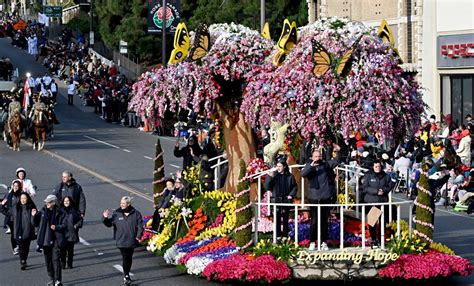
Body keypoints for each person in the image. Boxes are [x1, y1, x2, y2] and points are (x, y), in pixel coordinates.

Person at [301, 149, 340, 251]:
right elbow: (303, 174)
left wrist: (338, 152)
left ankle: (324, 242)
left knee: (324, 221)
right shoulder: (309, 165)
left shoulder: (325, 165)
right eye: (316, 156)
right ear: (312, 157)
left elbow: (336, 161)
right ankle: (312, 242)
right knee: (314, 221)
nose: (317, 158)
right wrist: (310, 166)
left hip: (325, 197)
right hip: (314, 198)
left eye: (319, 156)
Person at [103, 196, 143, 285]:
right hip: (121, 240)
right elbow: (109, 224)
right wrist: (105, 218)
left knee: (129, 258)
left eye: (124, 203)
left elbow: (140, 226)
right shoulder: (116, 213)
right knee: (125, 257)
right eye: (121, 203)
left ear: (128, 204)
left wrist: (138, 236)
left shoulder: (136, 214)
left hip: (132, 240)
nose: (122, 205)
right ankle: (126, 275)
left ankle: (127, 273)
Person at [1, 193, 37, 270]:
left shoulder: (31, 208)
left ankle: (25, 259)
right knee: (21, 247)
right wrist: (2, 205)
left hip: (28, 231)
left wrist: (34, 215)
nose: (23, 200)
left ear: (27, 199)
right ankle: (22, 261)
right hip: (18, 231)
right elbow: (6, 212)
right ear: (19, 199)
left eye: (25, 198)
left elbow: (34, 223)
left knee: (26, 248)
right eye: (22, 198)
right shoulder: (15, 208)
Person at [362, 161, 395, 246]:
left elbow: (390, 186)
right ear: (373, 167)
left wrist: (384, 191)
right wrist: (376, 191)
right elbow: (365, 188)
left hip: (382, 202)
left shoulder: (385, 176)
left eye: (379, 166)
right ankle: (373, 239)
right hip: (372, 201)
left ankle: (381, 239)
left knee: (382, 223)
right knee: (372, 222)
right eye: (376, 166)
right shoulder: (368, 175)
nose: (378, 168)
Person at [35, 194, 65, 286]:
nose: (47, 203)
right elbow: (35, 223)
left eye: (49, 202)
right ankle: (52, 278)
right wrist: (34, 216)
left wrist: (57, 227)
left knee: (56, 260)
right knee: (48, 261)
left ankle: (58, 280)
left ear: (54, 202)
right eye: (47, 202)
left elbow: (64, 225)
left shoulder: (60, 212)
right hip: (45, 239)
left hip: (56, 239)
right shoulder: (43, 211)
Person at [265, 160, 297, 239]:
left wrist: (291, 195)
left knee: (285, 218)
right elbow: (267, 186)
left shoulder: (290, 176)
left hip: (286, 200)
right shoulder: (275, 176)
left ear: (284, 166)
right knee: (277, 218)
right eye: (277, 166)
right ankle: (278, 236)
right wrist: (269, 176)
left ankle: (285, 236)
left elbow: (294, 187)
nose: (278, 168)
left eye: (280, 166)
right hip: (276, 200)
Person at [59, 196, 82, 269]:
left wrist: (76, 225)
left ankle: (70, 263)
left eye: (68, 201)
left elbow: (80, 220)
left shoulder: (74, 210)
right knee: (62, 249)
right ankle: (62, 263)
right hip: (62, 233)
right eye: (65, 201)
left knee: (70, 250)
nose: (66, 202)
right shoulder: (60, 210)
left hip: (71, 233)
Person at [1, 180, 23, 255]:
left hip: (21, 218)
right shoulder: (9, 195)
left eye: (17, 186)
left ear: (19, 187)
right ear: (12, 186)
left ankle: (20, 245)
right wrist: (7, 213)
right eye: (14, 186)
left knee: (21, 233)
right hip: (11, 219)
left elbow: (29, 204)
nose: (15, 187)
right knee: (14, 233)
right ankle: (15, 248)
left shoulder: (22, 195)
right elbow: (2, 206)